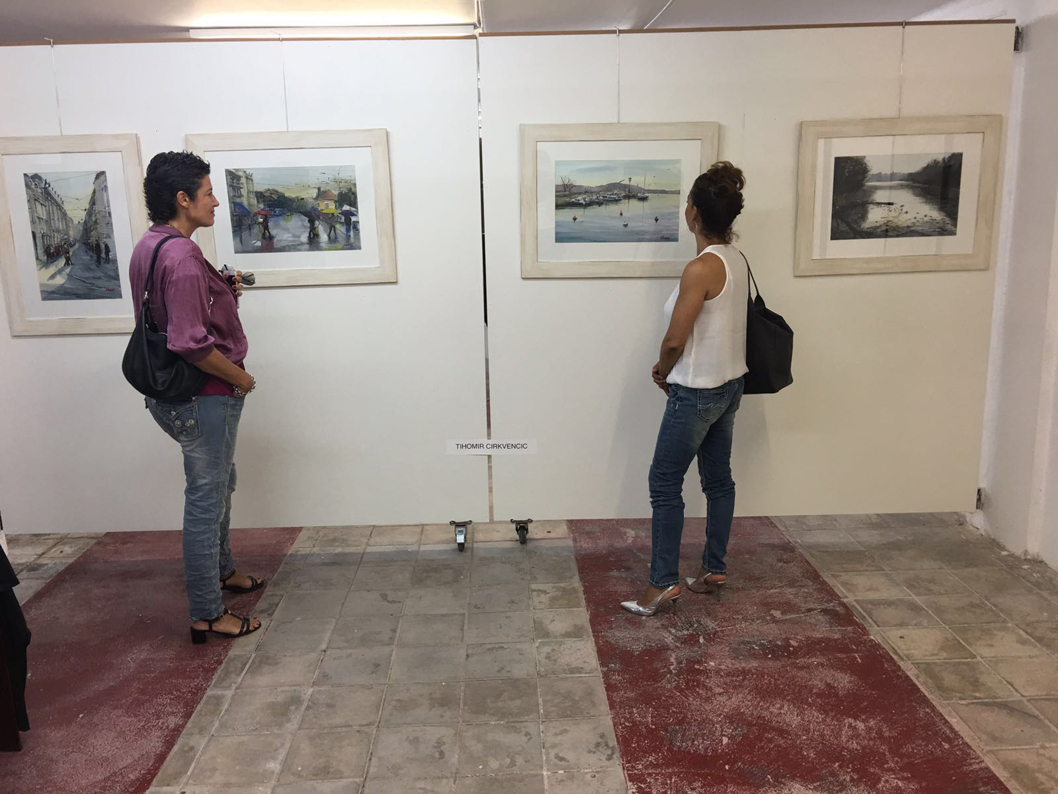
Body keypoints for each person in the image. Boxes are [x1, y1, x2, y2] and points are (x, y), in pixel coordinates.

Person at [130, 151, 264, 643]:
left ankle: (223, 570)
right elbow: (190, 343)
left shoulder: (152, 244)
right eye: (208, 193)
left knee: (221, 482)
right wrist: (241, 379)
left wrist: (219, 292)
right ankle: (207, 612)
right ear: (183, 199)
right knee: (207, 498)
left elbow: (168, 312)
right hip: (203, 394)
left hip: (170, 394)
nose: (217, 202)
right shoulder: (183, 256)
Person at [621, 161, 749, 617]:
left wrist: (662, 369)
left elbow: (677, 338)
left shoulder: (700, 268)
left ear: (693, 211)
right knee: (718, 480)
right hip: (730, 386)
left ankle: (662, 584)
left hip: (696, 392)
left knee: (663, 483)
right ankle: (714, 568)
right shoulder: (736, 259)